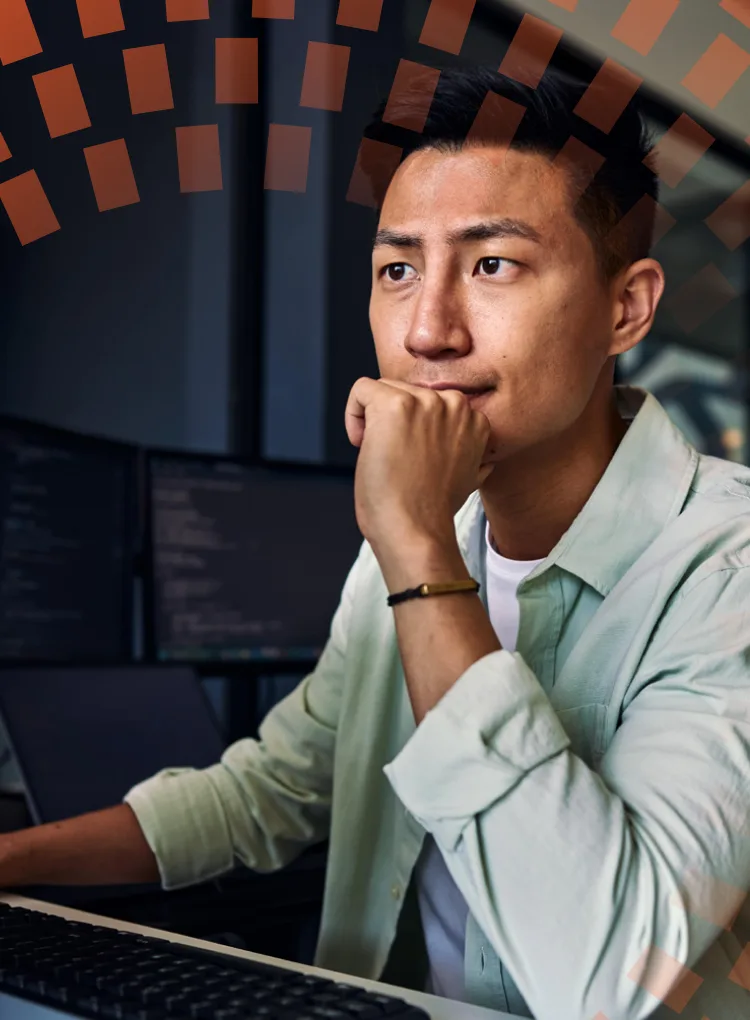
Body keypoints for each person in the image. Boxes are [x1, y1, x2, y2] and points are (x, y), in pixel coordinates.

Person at [2, 64, 750, 1020]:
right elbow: (270, 791)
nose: (429, 330)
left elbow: (609, 981)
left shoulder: (721, 569)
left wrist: (413, 546)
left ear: (626, 309)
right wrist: (14, 861)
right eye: (398, 269)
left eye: (493, 265)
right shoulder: (423, 537)